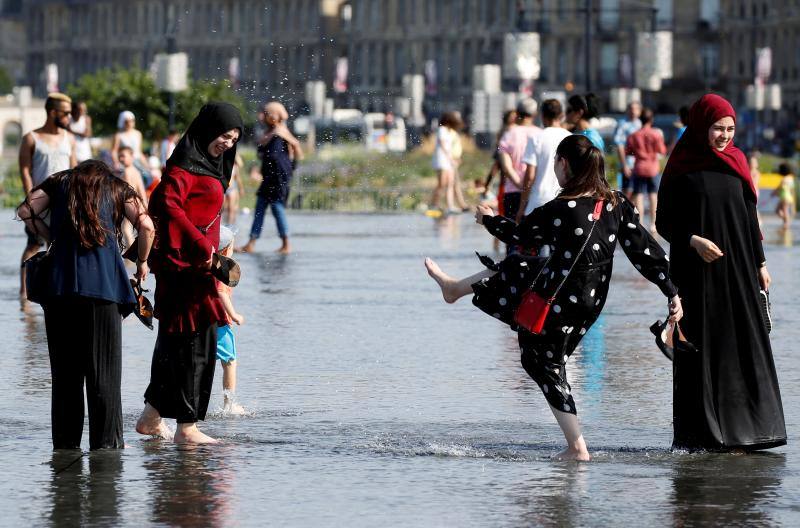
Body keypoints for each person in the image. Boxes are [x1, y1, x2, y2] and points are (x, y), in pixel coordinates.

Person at [425, 135, 682, 460]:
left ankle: (577, 447)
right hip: (590, 300)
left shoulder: (561, 209)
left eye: (558, 165)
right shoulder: (617, 203)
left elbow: (519, 234)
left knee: (540, 360)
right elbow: (645, 251)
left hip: (561, 294)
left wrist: (487, 218)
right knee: (520, 269)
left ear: (564, 165)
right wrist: (671, 290)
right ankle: (455, 289)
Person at [656, 94, 786, 451]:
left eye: (729, 129)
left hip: (740, 266)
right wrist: (693, 240)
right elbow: (663, 222)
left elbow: (750, 216)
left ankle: (751, 430)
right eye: (717, 128)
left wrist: (760, 262)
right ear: (701, 127)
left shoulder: (737, 160)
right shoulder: (682, 163)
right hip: (696, 271)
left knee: (740, 342)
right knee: (703, 346)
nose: (724, 136)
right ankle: (703, 434)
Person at [17, 160, 154, 449]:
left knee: (65, 379)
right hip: (103, 289)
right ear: (104, 172)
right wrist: (142, 261)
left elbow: (26, 210)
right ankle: (106, 447)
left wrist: (50, 236)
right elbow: (146, 225)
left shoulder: (59, 183)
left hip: (59, 289)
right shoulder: (117, 187)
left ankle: (65, 446)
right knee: (104, 375)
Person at [136, 102, 244, 444]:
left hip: (198, 268)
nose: (227, 143)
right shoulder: (184, 167)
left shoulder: (211, 166)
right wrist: (199, 243)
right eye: (224, 135)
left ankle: (151, 417)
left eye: (234, 138)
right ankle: (187, 426)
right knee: (198, 344)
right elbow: (165, 203)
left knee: (176, 341)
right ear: (208, 129)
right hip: (185, 267)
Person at [18, 92, 77, 299]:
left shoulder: (69, 139)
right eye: (66, 114)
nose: (70, 118)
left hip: (64, 202)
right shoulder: (31, 138)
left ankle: (61, 288)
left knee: (64, 244)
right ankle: (25, 292)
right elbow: (25, 170)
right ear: (53, 113)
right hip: (39, 201)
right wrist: (30, 198)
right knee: (34, 245)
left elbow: (74, 170)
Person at [238, 102, 303, 254]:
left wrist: (284, 170)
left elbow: (276, 156)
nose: (263, 117)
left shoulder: (279, 134)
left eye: (267, 113)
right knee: (260, 208)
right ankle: (251, 243)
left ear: (273, 116)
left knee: (277, 208)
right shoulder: (272, 133)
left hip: (277, 178)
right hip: (269, 178)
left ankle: (286, 243)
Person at [497, 98, 542, 249]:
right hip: (535, 192)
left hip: (513, 192)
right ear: (535, 113)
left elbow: (506, 166)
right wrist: (528, 186)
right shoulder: (540, 135)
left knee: (512, 236)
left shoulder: (509, 134)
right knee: (535, 238)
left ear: (518, 113)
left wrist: (519, 184)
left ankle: (511, 268)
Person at [519, 99, 571, 223]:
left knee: (534, 242)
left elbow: (530, 176)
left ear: (542, 116)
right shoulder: (571, 138)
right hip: (564, 202)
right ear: (561, 115)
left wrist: (521, 208)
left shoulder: (536, 138)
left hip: (538, 202)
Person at [216, 226, 245, 414]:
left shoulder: (207, 266)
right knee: (230, 361)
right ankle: (229, 404)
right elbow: (220, 291)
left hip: (205, 321)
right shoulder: (222, 270)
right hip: (220, 323)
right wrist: (234, 314)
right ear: (226, 250)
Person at [626, 107, 666, 232]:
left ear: (640, 119)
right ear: (651, 119)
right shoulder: (656, 134)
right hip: (653, 167)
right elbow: (662, 151)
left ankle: (641, 222)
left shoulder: (634, 135)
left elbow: (628, 151)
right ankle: (653, 224)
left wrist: (638, 153)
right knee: (653, 195)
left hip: (639, 167)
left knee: (639, 194)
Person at [428, 111, 466, 214]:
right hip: (442, 160)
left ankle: (450, 206)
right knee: (442, 183)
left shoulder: (450, 131)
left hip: (449, 160)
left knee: (450, 183)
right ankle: (433, 204)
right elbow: (443, 145)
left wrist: (454, 158)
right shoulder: (442, 130)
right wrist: (451, 158)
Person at [118, 146, 149, 248]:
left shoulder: (126, 172)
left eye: (123, 156)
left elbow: (125, 191)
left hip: (128, 203)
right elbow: (142, 190)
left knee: (126, 228)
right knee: (133, 228)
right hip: (137, 202)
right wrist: (145, 204)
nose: (121, 158)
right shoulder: (136, 171)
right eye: (119, 156)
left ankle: (132, 253)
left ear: (132, 157)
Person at [112, 110, 150, 185]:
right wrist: (116, 162)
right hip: (125, 163)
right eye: (127, 121)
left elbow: (139, 152)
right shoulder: (119, 135)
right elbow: (114, 151)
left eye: (132, 120)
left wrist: (147, 165)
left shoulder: (138, 134)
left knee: (147, 177)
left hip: (137, 162)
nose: (130, 123)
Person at [613, 101, 642, 194]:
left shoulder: (640, 124)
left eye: (636, 109)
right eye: (631, 108)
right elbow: (619, 145)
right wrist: (624, 165)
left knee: (638, 192)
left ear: (640, 111)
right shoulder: (622, 124)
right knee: (627, 192)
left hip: (639, 164)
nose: (633, 111)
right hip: (628, 163)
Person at [223, 154, 245, 225]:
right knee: (222, 208)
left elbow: (238, 178)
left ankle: (230, 225)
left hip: (232, 189)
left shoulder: (235, 167)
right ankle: (223, 224)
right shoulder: (222, 164)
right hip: (224, 189)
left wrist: (241, 189)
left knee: (231, 209)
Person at [773, 162, 796, 229]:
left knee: (783, 211)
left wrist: (774, 193)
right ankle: (786, 222)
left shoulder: (784, 179)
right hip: (788, 197)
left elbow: (779, 188)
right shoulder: (791, 178)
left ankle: (786, 223)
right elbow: (792, 190)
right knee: (779, 210)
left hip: (784, 197)